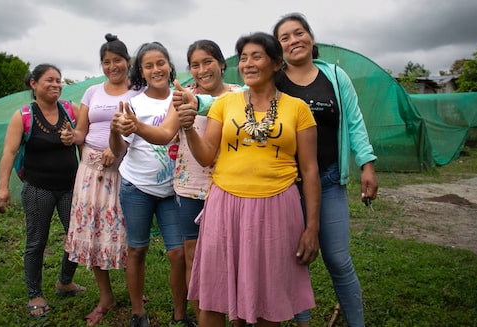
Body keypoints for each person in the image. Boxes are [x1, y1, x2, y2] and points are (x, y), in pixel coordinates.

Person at [176, 32, 321, 326]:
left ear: (276, 64)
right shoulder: (225, 104)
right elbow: (206, 156)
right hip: (225, 204)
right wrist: (189, 127)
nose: (248, 63)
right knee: (214, 295)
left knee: (269, 296)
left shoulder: (298, 109)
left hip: (277, 207)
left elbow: (310, 170)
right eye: (243, 58)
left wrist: (312, 228)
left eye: (257, 56)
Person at [116, 39, 240, 323]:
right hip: (189, 186)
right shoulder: (182, 97)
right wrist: (136, 126)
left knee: (232, 253)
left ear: (222, 64)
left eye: (208, 61)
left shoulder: (239, 95)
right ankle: (200, 318)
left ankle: (237, 312)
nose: (201, 69)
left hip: (229, 187)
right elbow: (163, 134)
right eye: (195, 65)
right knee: (191, 256)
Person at [272, 13, 378, 327]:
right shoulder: (274, 81)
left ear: (311, 38)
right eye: (285, 37)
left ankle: (356, 323)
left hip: (329, 181)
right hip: (286, 187)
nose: (294, 41)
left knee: (338, 259)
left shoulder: (334, 76)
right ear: (279, 49)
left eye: (299, 32)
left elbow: (355, 122)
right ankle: (302, 322)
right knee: (295, 260)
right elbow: (238, 101)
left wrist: (367, 164)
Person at [0, 63, 86, 318]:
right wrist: (3, 188)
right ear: (33, 84)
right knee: (36, 242)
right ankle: (34, 294)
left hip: (69, 188)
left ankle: (64, 281)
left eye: (59, 80)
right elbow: (9, 153)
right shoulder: (23, 115)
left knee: (76, 238)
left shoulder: (70, 109)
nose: (56, 84)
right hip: (38, 189)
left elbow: (83, 140)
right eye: (50, 80)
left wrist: (78, 142)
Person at [109, 41, 190, 327]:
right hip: (137, 187)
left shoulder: (183, 98)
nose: (156, 69)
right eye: (148, 65)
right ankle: (137, 312)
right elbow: (118, 149)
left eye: (161, 63)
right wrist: (114, 129)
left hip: (173, 190)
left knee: (178, 253)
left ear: (169, 65)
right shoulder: (133, 103)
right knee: (137, 249)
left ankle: (180, 314)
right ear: (141, 71)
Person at [62, 33, 141, 326]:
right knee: (94, 230)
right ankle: (105, 295)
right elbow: (82, 131)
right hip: (90, 171)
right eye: (106, 62)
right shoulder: (92, 92)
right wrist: (73, 137)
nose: (112, 66)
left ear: (127, 61)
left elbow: (141, 131)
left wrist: (116, 146)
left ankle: (135, 290)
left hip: (123, 170)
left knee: (128, 232)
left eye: (117, 60)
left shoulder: (137, 93)